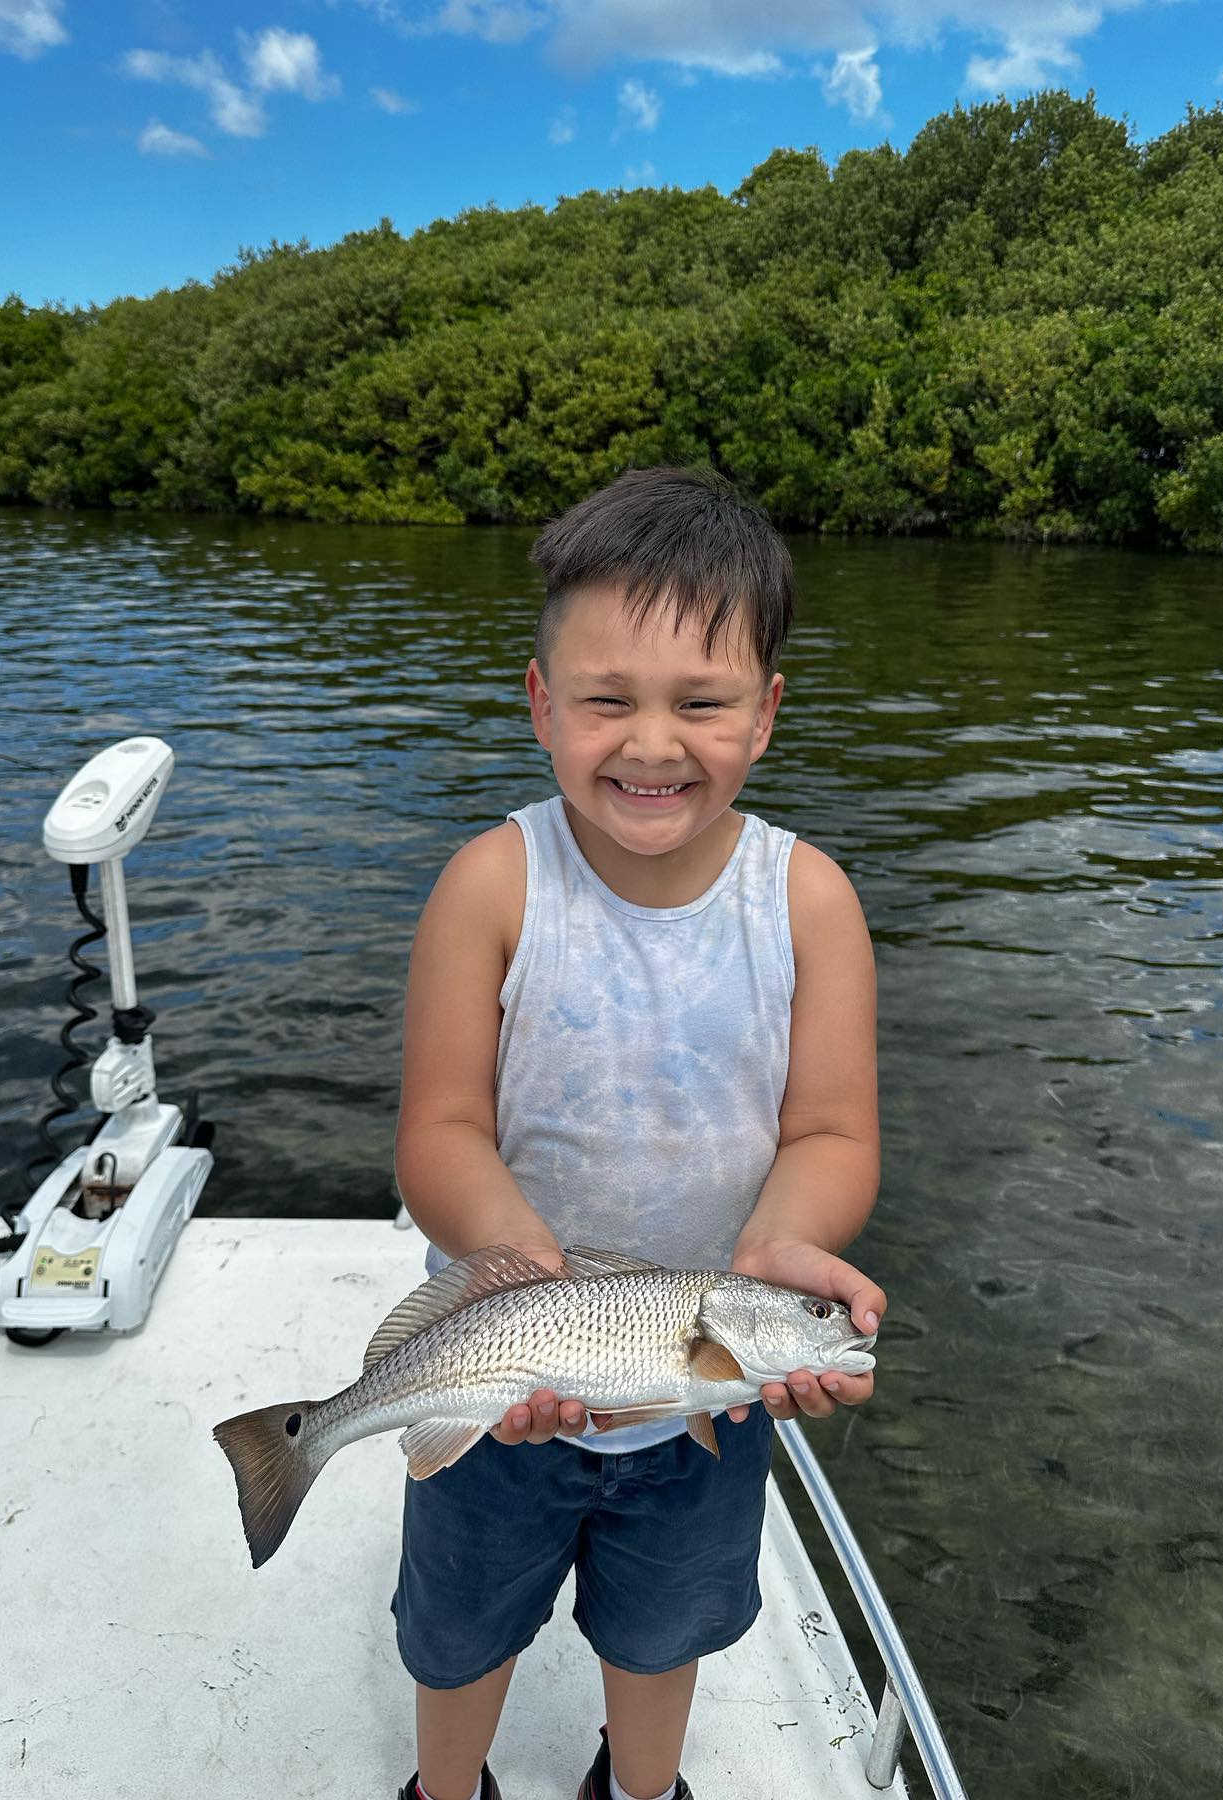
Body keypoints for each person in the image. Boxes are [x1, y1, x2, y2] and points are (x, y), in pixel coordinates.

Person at [391, 465, 885, 1800]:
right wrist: (522, 1276)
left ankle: (641, 1789)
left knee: (667, 1631)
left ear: (766, 712)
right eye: (607, 699)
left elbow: (832, 1132)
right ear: (541, 703)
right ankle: (446, 1791)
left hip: (705, 1392)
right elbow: (441, 1128)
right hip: (501, 1364)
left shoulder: (810, 902)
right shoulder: (491, 885)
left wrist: (779, 1251)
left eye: (702, 703)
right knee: (458, 1629)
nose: (652, 743)